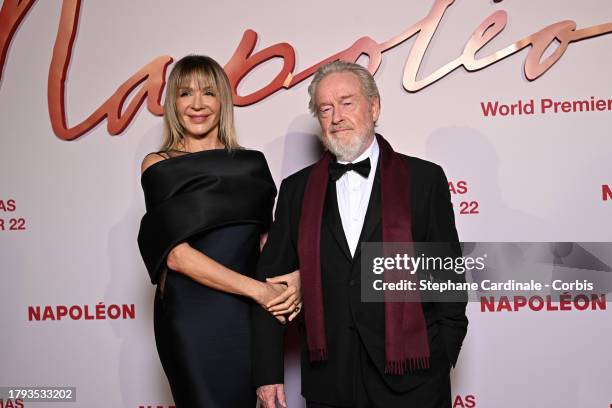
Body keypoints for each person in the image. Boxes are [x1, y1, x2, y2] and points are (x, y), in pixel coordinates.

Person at [253, 61, 468, 408]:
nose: (336, 116)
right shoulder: (297, 191)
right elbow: (271, 287)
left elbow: (447, 280)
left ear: (374, 106)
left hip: (414, 379)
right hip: (331, 381)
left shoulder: (424, 180)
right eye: (325, 108)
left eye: (347, 102)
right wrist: (267, 374)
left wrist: (442, 353)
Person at [137, 55, 301, 408]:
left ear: (222, 101)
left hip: (247, 317)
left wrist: (290, 286)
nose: (197, 104)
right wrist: (260, 292)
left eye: (208, 93)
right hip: (191, 316)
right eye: (185, 94)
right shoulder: (159, 165)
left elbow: (265, 245)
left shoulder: (252, 163)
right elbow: (177, 257)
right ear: (173, 103)